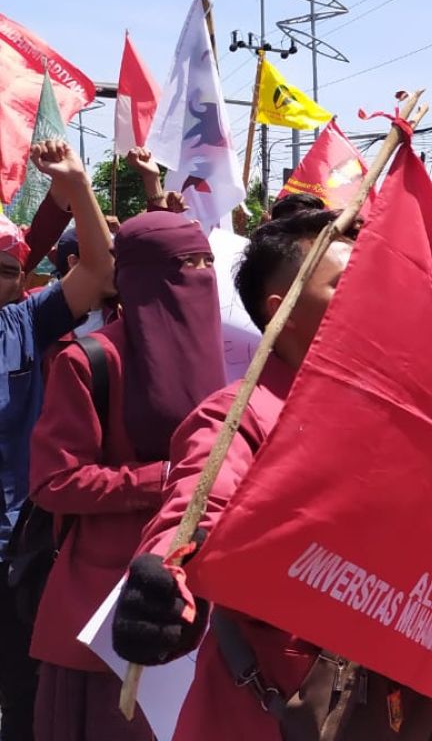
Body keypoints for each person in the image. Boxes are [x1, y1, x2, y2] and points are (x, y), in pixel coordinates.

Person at [110, 210, 432, 740]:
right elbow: (198, 501)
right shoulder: (240, 413)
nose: (376, 296)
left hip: (396, 696)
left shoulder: (404, 409)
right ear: (282, 310)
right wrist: (166, 581)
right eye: (345, 283)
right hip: (281, 704)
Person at [28, 212, 225, 740]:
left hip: (196, 605)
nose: (201, 275)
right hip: (105, 615)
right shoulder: (91, 360)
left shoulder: (231, 360)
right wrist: (166, 479)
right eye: (186, 264)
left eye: (208, 263)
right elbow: (53, 483)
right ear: (136, 276)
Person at [0, 141, 114, 741]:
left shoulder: (23, 321)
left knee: (21, 696)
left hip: (15, 551)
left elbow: (97, 270)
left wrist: (77, 185)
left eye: (8, 267)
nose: (1, 275)